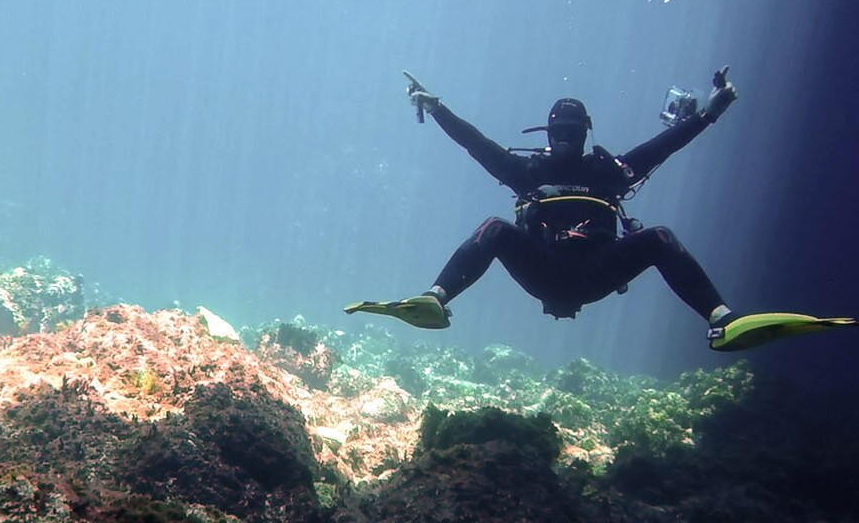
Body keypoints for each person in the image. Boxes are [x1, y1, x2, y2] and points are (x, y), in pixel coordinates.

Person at [345, 68, 855, 350]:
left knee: (658, 237)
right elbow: (473, 142)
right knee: (496, 228)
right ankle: (435, 298)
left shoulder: (608, 172)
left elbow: (668, 142)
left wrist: (713, 111)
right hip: (553, 275)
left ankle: (724, 320)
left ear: (583, 133)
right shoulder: (533, 173)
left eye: (571, 132)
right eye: (559, 132)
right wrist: (437, 110)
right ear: (550, 134)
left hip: (589, 274)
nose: (564, 138)